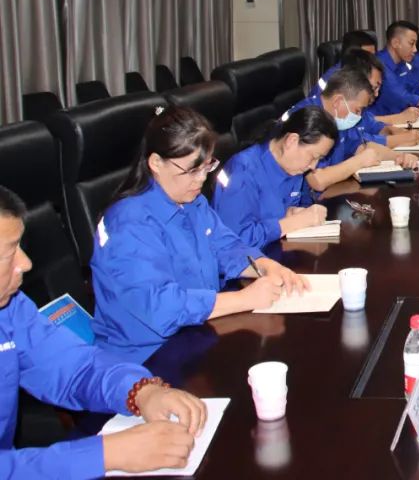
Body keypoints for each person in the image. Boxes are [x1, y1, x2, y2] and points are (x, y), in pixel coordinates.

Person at [0, 185, 213, 478]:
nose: (26, 263)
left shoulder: (10, 308)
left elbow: (73, 367)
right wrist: (105, 454)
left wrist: (141, 391)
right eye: (8, 253)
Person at [91, 106, 308, 363]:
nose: (202, 180)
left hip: (196, 333)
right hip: (146, 358)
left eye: (207, 167)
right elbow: (161, 306)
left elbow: (225, 246)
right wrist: (243, 299)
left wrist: (264, 265)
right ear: (156, 163)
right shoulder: (128, 223)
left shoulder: (191, 201)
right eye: (192, 171)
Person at [211, 106, 337, 249]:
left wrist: (294, 213)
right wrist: (291, 223)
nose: (313, 166)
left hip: (279, 250)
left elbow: (301, 203)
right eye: (314, 157)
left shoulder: (294, 168)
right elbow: (236, 240)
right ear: (291, 141)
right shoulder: (242, 171)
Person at [284, 65, 418, 192]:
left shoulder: (338, 116)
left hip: (334, 190)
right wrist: (359, 161)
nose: (359, 117)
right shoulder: (307, 117)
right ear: (338, 101)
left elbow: (362, 147)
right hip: (303, 201)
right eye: (357, 110)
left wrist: (399, 157)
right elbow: (317, 180)